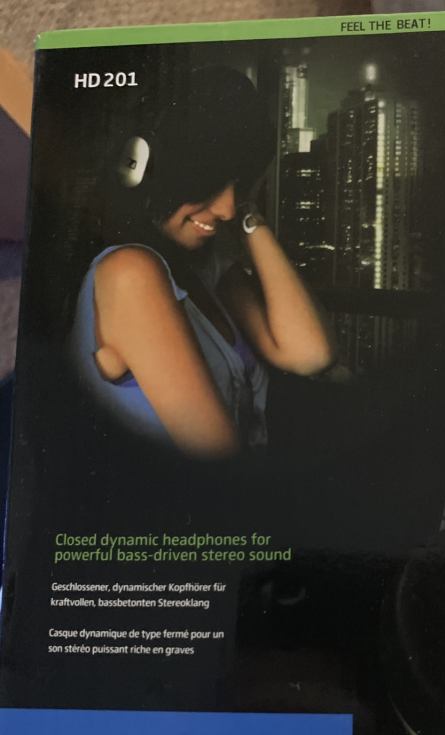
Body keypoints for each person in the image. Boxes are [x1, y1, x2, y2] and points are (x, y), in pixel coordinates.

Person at [68, 65, 334, 457]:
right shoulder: (130, 274)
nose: (226, 208)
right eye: (211, 182)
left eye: (239, 184)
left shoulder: (205, 271)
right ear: (142, 166)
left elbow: (310, 353)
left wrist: (248, 215)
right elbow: (218, 456)